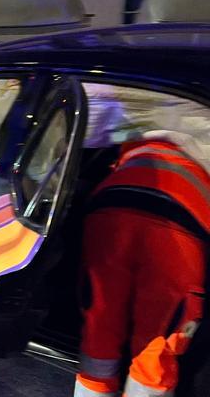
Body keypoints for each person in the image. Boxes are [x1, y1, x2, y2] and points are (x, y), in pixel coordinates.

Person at [75, 132, 209, 397]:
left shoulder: (145, 125)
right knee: (158, 340)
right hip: (182, 220)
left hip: (112, 202)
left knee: (100, 325)